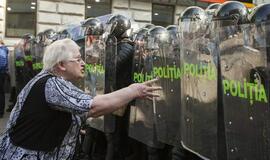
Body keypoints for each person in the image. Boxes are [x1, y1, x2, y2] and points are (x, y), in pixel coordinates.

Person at [0, 38, 160, 160]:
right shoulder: (52, 83)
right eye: (78, 59)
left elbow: (89, 110)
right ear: (61, 65)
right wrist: (134, 90)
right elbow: (94, 106)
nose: (83, 63)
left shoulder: (50, 80)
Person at [0, 40, 9, 118]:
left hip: (0, 73)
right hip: (2, 73)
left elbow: (2, 63)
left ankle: (0, 112)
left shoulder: (1, 50)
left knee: (0, 92)